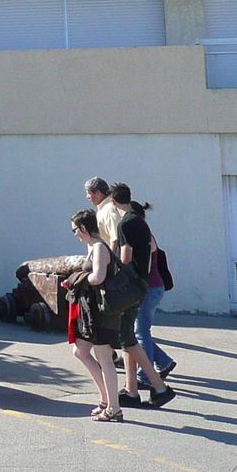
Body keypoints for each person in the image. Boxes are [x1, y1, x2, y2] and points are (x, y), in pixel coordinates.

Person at [108, 184, 176, 409]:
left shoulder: (125, 224)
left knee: (134, 335)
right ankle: (134, 387)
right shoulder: (141, 223)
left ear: (113, 202)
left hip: (133, 287)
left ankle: (150, 383)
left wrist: (113, 272)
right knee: (130, 335)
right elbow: (146, 260)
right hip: (144, 285)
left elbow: (126, 258)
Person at [65, 209, 123, 422]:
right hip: (90, 310)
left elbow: (98, 277)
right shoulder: (93, 246)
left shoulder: (99, 247)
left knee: (105, 358)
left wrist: (76, 279)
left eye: (75, 230)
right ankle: (106, 399)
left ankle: (114, 409)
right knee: (80, 351)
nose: (74, 234)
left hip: (101, 311)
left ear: (82, 228)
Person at [85, 177, 121, 250]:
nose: (87, 197)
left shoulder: (109, 210)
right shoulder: (104, 209)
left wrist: (112, 259)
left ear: (98, 193)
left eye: (89, 193)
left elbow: (115, 239)